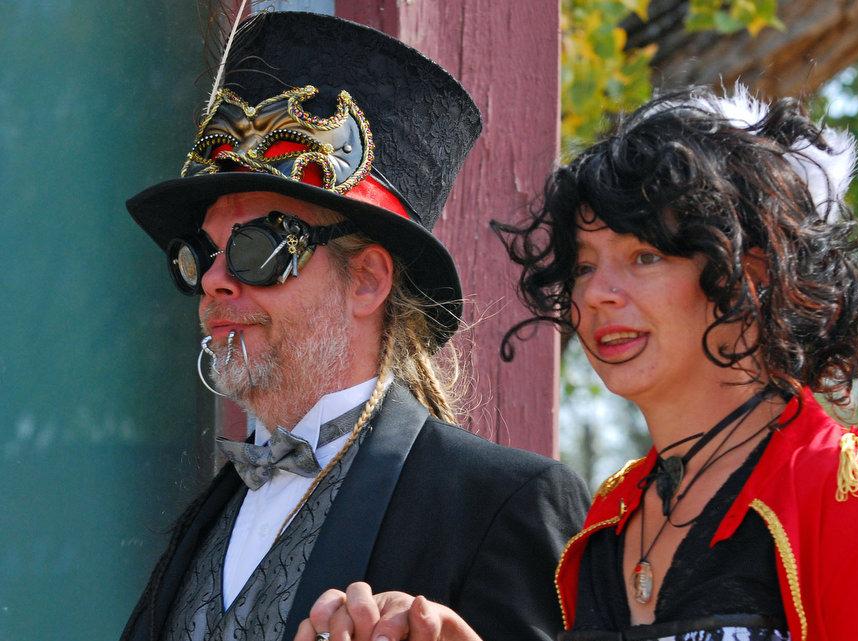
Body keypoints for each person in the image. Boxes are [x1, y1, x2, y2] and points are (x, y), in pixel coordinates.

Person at [303, 85, 858, 640]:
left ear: (744, 273)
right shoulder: (607, 519)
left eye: (644, 257)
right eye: (585, 264)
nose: (597, 293)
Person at [119, 11, 589, 641]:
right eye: (197, 255)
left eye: (258, 249)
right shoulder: (206, 519)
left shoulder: (501, 505)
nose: (213, 281)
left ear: (367, 280)